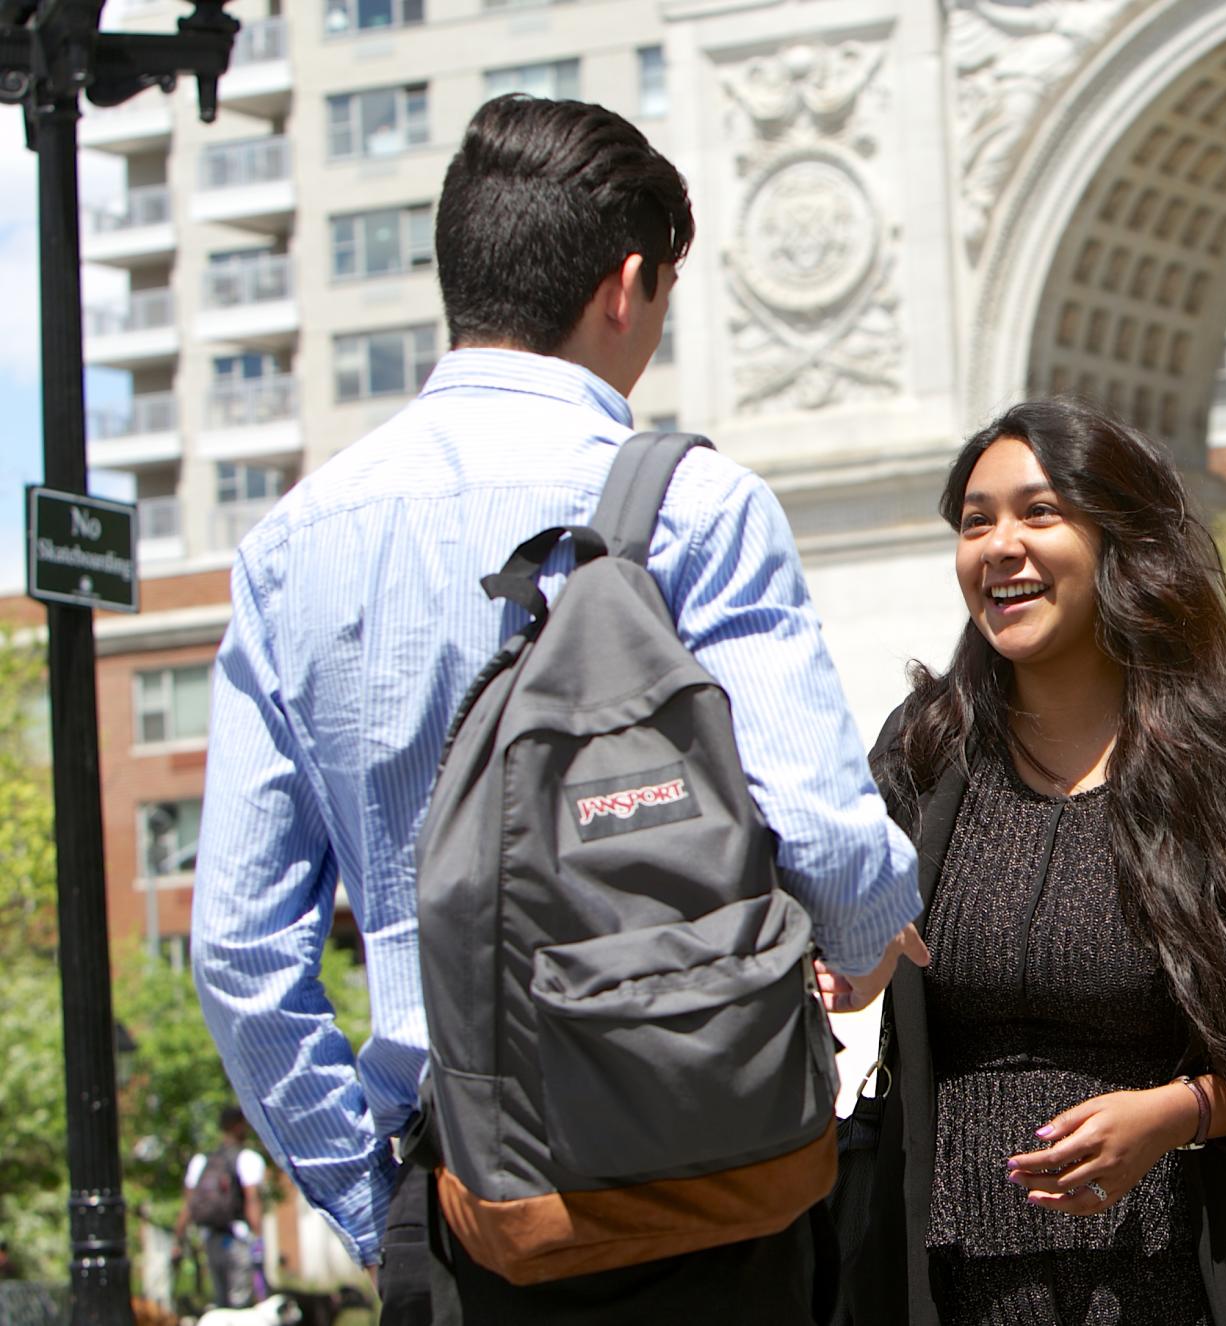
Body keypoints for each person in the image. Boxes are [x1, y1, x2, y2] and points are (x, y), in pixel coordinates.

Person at [190, 94, 926, 1326]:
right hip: (710, 1180)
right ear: (628, 284)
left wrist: (383, 1205)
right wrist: (862, 941)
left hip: (472, 1203)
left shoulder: (291, 549)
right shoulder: (700, 507)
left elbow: (242, 952)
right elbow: (823, 829)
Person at [858, 398, 1226, 1325]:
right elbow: (830, 923)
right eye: (976, 521)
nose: (999, 545)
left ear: (1119, 541)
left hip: (1173, 1274)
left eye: (1038, 513)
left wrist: (1177, 1113)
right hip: (946, 1277)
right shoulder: (922, 751)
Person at [182, 1106, 269, 1308]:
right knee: (241, 1303)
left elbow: (188, 1203)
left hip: (211, 1239)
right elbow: (252, 1200)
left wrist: (179, 1238)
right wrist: (258, 1238)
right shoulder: (247, 1159)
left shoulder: (202, 1160)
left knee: (221, 1302)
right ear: (239, 1126)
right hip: (238, 1238)